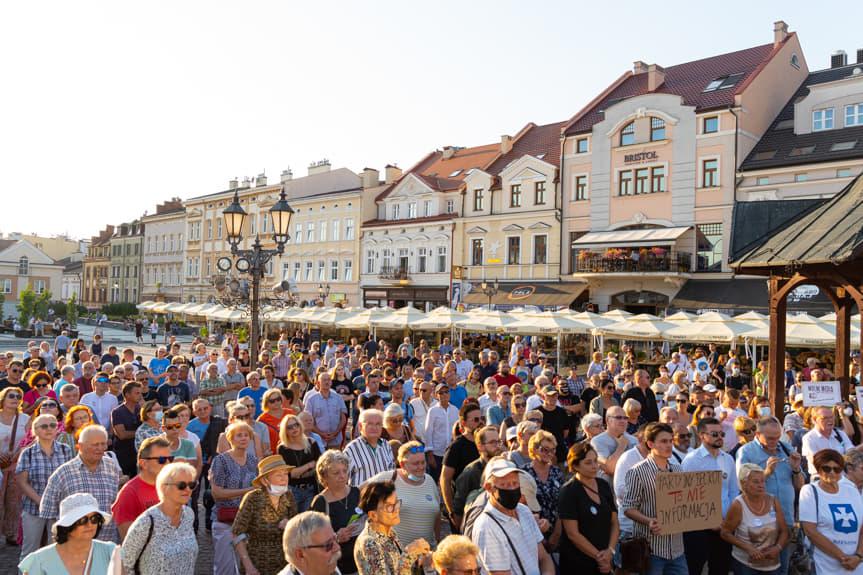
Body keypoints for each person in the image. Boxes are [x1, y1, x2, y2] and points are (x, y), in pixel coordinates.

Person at [470, 457, 555, 575]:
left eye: (515, 483)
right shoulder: (486, 527)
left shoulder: (524, 511)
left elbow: (544, 557)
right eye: (504, 485)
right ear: (489, 488)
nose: (512, 489)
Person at [622, 422, 686, 575]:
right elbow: (628, 508)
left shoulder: (678, 469)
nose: (669, 445)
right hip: (651, 549)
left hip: (677, 549)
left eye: (670, 441)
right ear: (650, 444)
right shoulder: (637, 471)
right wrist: (649, 521)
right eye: (663, 441)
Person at [39, 425, 121, 542]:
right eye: (95, 445)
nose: (100, 448)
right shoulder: (63, 473)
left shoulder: (111, 467)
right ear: (80, 446)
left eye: (103, 444)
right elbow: (48, 512)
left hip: (107, 542)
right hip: (74, 545)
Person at [681, 417, 739, 575]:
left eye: (722, 434)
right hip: (697, 528)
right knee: (694, 568)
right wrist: (708, 521)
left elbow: (733, 491)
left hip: (724, 526)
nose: (719, 437)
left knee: (721, 568)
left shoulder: (728, 459)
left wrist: (730, 520)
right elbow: (685, 497)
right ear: (702, 436)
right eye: (714, 434)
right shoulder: (691, 460)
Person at [120, 461, 199, 574]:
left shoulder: (189, 515)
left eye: (191, 485)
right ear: (164, 487)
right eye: (181, 486)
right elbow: (124, 564)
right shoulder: (147, 522)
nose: (188, 490)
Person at [15, 413, 75, 557]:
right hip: (33, 508)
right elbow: (22, 482)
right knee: (30, 550)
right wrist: (41, 501)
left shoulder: (65, 450)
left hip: (58, 508)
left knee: (55, 550)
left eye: (52, 425)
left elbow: (69, 478)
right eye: (44, 426)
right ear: (35, 430)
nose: (49, 429)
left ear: (57, 429)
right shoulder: (28, 453)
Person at [18, 493, 116, 575]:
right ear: (67, 525)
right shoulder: (38, 561)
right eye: (82, 520)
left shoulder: (111, 552)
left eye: (94, 519)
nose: (89, 524)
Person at [800, 449, 863, 575]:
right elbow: (810, 531)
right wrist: (842, 557)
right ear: (818, 469)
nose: (832, 472)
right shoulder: (810, 491)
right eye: (827, 468)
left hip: (856, 566)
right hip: (824, 565)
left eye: (837, 469)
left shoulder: (852, 490)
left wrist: (858, 556)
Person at [233, 455, 298, 575]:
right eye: (279, 475)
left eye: (285, 474)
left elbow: (297, 530)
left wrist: (290, 525)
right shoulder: (253, 498)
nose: (284, 479)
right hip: (257, 564)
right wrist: (249, 567)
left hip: (284, 565)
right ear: (265, 480)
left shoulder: (288, 496)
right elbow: (236, 533)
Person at [559, 442, 619, 573]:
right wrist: (600, 557)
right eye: (588, 463)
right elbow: (573, 534)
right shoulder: (569, 492)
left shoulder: (603, 485)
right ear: (575, 465)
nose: (594, 466)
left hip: (606, 558)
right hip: (578, 564)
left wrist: (610, 551)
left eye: (595, 461)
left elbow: (614, 522)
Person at [720, 463, 788, 575]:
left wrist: (778, 548)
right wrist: (748, 548)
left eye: (763, 481)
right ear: (744, 483)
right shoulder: (738, 505)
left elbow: (784, 531)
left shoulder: (773, 501)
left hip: (772, 564)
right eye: (756, 482)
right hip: (745, 565)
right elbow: (725, 533)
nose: (761, 485)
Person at [210, 421, 259, 574]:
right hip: (225, 519)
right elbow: (217, 493)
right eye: (239, 435)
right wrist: (248, 490)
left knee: (248, 564)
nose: (243, 438)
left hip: (248, 519)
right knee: (225, 566)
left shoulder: (253, 460)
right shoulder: (221, 461)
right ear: (231, 439)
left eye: (246, 435)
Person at [353, 480, 431, 575]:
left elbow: (398, 569)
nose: (396, 509)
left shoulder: (390, 532)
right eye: (389, 506)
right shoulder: (369, 543)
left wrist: (418, 559)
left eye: (396, 502)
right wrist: (409, 554)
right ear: (373, 515)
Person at [310, 450, 362, 575]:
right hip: (337, 567)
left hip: (362, 562)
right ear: (324, 476)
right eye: (336, 473)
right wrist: (336, 537)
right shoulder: (320, 502)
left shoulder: (357, 493)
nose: (342, 476)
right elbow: (313, 539)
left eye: (345, 471)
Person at [111, 436, 173, 540]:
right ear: (143, 463)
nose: (168, 463)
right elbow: (128, 539)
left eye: (170, 459)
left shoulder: (171, 486)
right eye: (161, 460)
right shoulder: (129, 493)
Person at [0, 385, 29, 544]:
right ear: (3, 399)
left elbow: (29, 440)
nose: (15, 399)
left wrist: (18, 454)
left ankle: (11, 534)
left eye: (18, 397)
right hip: (0, 464)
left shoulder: (25, 419)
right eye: (11, 396)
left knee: (14, 501)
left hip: (16, 464)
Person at [278, 413, 322, 512]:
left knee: (308, 518)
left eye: (296, 425)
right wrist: (309, 465)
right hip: (293, 490)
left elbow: (319, 466)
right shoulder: (283, 448)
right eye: (290, 427)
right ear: (285, 430)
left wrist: (300, 472)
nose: (294, 428)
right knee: (294, 518)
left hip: (311, 488)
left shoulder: (311, 443)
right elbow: (291, 474)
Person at [279, 511, 343, 575]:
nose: (337, 548)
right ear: (300, 555)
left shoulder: (328, 567)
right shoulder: (325, 565)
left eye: (335, 539)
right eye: (328, 545)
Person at [345, 409, 395, 487]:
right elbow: (343, 479)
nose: (374, 427)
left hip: (384, 493)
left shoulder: (386, 445)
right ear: (360, 426)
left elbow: (392, 471)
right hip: (361, 494)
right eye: (370, 424)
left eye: (378, 424)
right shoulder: (351, 448)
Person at [801, 405, 854, 472]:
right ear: (814, 420)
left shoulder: (840, 434)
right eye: (824, 418)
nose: (830, 420)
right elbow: (816, 461)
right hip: (821, 476)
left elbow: (851, 452)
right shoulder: (809, 438)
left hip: (843, 474)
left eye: (831, 417)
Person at [591, 405, 637, 482]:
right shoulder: (597, 441)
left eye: (625, 418)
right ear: (608, 420)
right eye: (618, 417)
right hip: (609, 487)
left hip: (631, 485)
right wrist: (621, 446)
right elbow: (610, 469)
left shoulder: (634, 440)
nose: (623, 421)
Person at [424, 383, 459, 481]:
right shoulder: (432, 411)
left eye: (446, 392)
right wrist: (430, 454)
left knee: (449, 481)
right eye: (441, 393)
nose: (444, 394)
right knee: (436, 480)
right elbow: (428, 431)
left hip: (451, 452)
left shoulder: (455, 410)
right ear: (436, 395)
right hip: (437, 453)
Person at [304, 372, 348, 449]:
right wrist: (321, 434)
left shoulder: (338, 398)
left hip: (336, 440)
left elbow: (343, 418)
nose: (327, 382)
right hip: (318, 441)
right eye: (324, 380)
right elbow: (308, 421)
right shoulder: (311, 400)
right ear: (318, 383)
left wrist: (335, 433)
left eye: (329, 380)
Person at [111, 381, 142, 477]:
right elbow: (122, 435)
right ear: (127, 395)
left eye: (140, 393)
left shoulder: (140, 409)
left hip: (138, 452)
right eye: (137, 393)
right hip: (124, 454)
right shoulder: (117, 412)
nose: (140, 395)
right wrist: (141, 432)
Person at [259, 387, 291, 453]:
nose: (276, 402)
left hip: (292, 449)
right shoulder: (262, 419)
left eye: (278, 399)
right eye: (272, 401)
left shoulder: (290, 413)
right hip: (274, 453)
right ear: (266, 403)